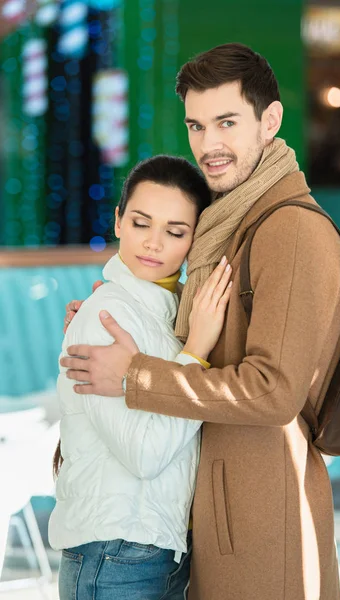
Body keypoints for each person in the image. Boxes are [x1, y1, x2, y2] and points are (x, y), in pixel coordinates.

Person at [61, 44, 340, 600]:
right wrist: (110, 318)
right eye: (197, 125)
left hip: (263, 513)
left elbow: (275, 392)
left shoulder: (287, 231)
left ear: (270, 121)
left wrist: (138, 374)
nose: (208, 146)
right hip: (210, 513)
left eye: (226, 123)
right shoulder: (235, 223)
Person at [50, 155, 233, 600]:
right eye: (140, 223)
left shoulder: (169, 312)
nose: (153, 244)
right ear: (116, 222)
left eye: (174, 232)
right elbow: (146, 455)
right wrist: (195, 354)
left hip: (158, 549)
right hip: (114, 552)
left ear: (194, 241)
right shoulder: (105, 316)